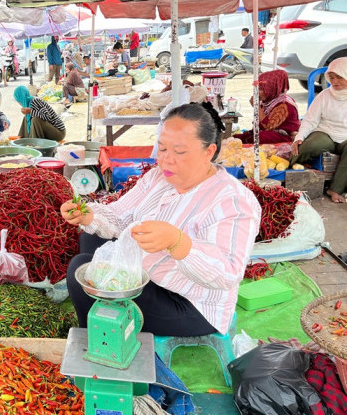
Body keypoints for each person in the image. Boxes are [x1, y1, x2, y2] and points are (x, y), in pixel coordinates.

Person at [61, 103, 260, 337]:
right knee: (90, 236)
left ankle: (101, 338)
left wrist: (178, 243)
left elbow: (227, 274)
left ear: (209, 151)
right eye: (162, 149)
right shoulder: (158, 177)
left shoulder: (234, 202)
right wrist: (88, 215)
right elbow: (121, 215)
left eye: (180, 152)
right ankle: (105, 322)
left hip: (189, 303)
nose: (166, 160)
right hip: (149, 271)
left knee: (80, 270)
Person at [290, 57, 347, 203]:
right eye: (332, 77)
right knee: (309, 146)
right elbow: (310, 120)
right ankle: (286, 168)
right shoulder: (324, 96)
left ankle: (335, 189)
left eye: (339, 77)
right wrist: (299, 138)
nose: (334, 82)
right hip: (325, 132)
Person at [236, 69, 300, 144]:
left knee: (258, 137)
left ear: (271, 88)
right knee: (236, 138)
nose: (256, 92)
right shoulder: (268, 100)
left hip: (285, 136)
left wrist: (257, 107)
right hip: (269, 133)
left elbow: (268, 127)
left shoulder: (285, 104)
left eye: (260, 89)